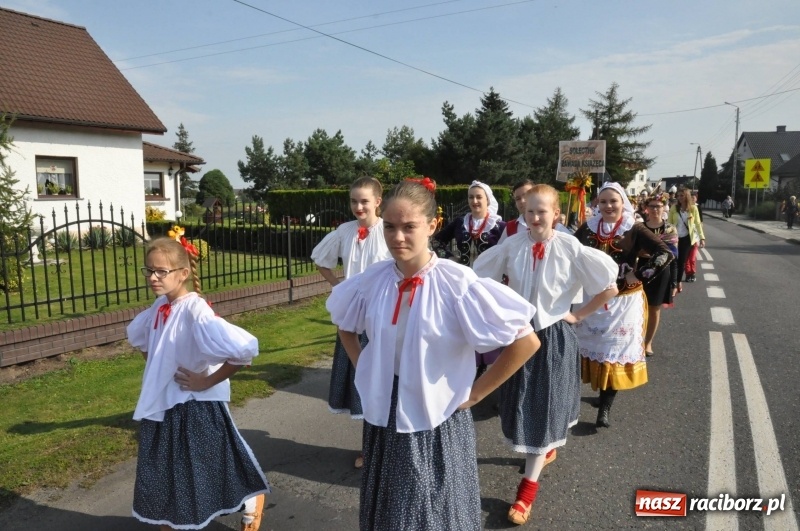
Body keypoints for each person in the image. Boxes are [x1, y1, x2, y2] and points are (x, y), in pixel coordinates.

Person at [327, 178, 541, 531]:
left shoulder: (456, 283)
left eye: (409, 227)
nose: (398, 237)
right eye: (391, 227)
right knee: (391, 513)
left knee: (435, 511)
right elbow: (345, 326)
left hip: (436, 415)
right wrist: (365, 366)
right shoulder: (374, 279)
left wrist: (476, 392)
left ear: (432, 225)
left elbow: (526, 341)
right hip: (386, 413)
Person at [474, 184, 618, 525]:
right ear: (523, 214)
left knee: (546, 405)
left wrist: (578, 315)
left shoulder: (570, 246)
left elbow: (609, 286)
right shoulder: (511, 244)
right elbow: (482, 280)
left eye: (543, 211)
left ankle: (526, 491)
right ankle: (543, 445)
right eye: (530, 211)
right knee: (521, 402)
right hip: (520, 337)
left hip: (553, 337)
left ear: (557, 214)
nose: (536, 217)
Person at [127, 232, 269, 531]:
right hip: (163, 404)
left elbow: (243, 351)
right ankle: (171, 519)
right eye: (149, 270)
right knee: (163, 468)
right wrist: (158, 370)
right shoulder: (158, 307)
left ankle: (250, 501)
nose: (153, 277)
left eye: (161, 271)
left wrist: (207, 381)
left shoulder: (195, 310)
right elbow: (140, 339)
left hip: (194, 404)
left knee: (207, 466)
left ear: (183, 273)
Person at [573, 182, 673, 428]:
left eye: (613, 201)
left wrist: (639, 275)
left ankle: (605, 407)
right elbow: (572, 256)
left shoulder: (634, 228)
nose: (608, 206)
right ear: (598, 204)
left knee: (613, 352)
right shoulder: (587, 228)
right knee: (590, 348)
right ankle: (596, 392)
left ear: (622, 204)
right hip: (593, 300)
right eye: (604, 201)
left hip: (623, 302)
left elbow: (665, 253)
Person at [310, 176, 391, 468]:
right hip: (353, 316)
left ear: (378, 202)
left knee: (386, 380)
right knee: (362, 383)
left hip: (382, 315)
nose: (358, 206)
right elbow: (320, 258)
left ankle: (388, 443)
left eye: (364, 201)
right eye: (354, 200)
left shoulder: (387, 231)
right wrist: (337, 285)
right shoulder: (345, 231)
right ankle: (369, 447)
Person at [432, 180, 506, 267]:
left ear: (488, 200)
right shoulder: (460, 222)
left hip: (489, 278)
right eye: (471, 197)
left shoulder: (499, 226)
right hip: (463, 277)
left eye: (479, 197)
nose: (474, 201)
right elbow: (436, 241)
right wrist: (450, 258)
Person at [641, 193, 679, 356]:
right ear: (646, 209)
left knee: (654, 308)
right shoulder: (639, 227)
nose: (655, 209)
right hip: (640, 271)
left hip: (662, 272)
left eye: (658, 206)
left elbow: (673, 256)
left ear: (664, 208)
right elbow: (631, 250)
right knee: (637, 308)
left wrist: (675, 281)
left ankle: (648, 343)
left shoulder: (670, 229)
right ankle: (636, 340)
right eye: (652, 206)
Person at [668, 188, 705, 288]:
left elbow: (697, 224)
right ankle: (673, 280)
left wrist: (702, 238)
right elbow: (669, 223)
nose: (679, 198)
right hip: (675, 238)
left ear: (687, 196)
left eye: (681, 195)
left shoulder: (693, 209)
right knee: (673, 260)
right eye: (678, 195)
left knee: (682, 261)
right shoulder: (674, 208)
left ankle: (678, 281)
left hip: (687, 238)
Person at [498, 180, 534, 244]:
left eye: (526, 196)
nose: (522, 201)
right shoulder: (510, 227)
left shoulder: (552, 225)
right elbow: (499, 251)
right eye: (518, 199)